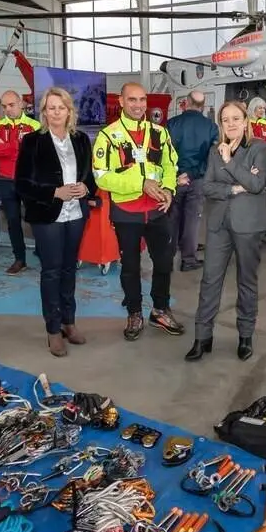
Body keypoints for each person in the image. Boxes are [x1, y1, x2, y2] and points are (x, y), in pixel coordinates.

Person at [93, 82, 185, 341]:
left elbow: (170, 165)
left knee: (164, 262)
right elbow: (102, 177)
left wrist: (169, 190)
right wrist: (140, 183)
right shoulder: (108, 136)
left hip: (157, 210)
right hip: (127, 213)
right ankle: (134, 312)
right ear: (121, 102)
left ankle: (160, 310)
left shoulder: (159, 132)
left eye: (142, 100)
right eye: (132, 100)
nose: (138, 105)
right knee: (130, 267)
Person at [16, 87, 98, 356]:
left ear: (69, 111)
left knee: (69, 269)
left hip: (76, 215)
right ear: (43, 112)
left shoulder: (81, 139)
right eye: (51, 108)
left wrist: (86, 188)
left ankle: (68, 322)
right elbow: (22, 184)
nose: (56, 112)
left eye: (61, 108)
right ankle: (53, 329)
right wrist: (54, 192)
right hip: (47, 214)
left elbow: (90, 176)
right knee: (51, 271)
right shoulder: (32, 141)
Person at [186, 101, 266, 363]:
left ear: (245, 121)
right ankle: (202, 337)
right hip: (218, 224)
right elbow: (207, 186)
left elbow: (256, 184)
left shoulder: (258, 148)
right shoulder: (214, 150)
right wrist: (234, 188)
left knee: (247, 281)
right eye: (225, 119)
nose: (231, 123)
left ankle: (245, 336)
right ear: (220, 124)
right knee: (210, 280)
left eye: (236, 118)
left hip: (248, 225)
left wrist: (229, 162)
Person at [0, 89, 41, 274]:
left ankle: (43, 251)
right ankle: (19, 259)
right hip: (5, 180)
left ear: (21, 104)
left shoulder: (34, 126)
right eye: (4, 106)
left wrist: (6, 147)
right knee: (12, 221)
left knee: (36, 218)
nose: (7, 109)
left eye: (11, 105)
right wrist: (15, 146)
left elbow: (38, 153)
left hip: (28, 180)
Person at [166, 90, 217, 272]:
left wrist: (177, 175)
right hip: (197, 180)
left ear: (186, 103)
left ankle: (167, 259)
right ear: (203, 106)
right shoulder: (211, 127)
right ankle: (188, 260)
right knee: (192, 220)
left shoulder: (172, 124)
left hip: (174, 179)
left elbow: (164, 154)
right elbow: (212, 157)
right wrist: (193, 174)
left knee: (171, 219)